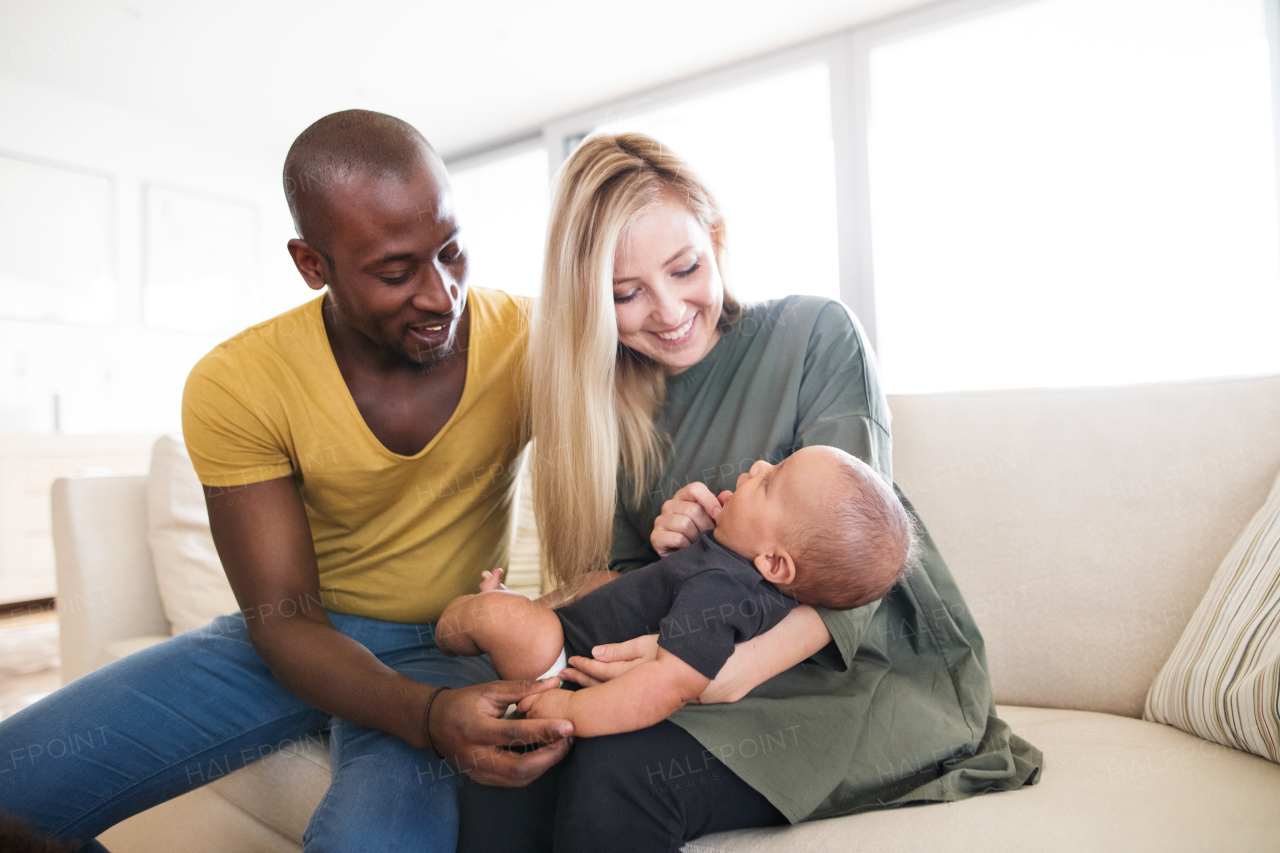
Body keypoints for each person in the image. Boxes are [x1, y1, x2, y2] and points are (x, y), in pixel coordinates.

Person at [0, 110, 574, 852]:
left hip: (448, 638)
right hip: (297, 633)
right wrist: (426, 715)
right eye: (396, 272)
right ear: (312, 265)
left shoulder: (530, 341)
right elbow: (284, 621)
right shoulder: (238, 382)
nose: (440, 295)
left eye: (452, 251)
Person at [457, 133, 1043, 853]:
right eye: (626, 293)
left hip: (850, 672)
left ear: (716, 237)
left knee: (620, 769)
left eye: (684, 268)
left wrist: (725, 673)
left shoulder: (814, 333)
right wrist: (662, 553)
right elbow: (632, 596)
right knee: (516, 753)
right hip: (692, 655)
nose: (669, 310)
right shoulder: (605, 409)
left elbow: (859, 554)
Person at [436, 446, 917, 737]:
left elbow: (666, 686)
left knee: (494, 618)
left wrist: (571, 711)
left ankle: (456, 625)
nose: (758, 465)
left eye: (770, 481)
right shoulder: (728, 567)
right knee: (594, 581)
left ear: (773, 562)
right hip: (572, 629)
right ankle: (508, 607)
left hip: (567, 662)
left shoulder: (722, 591)